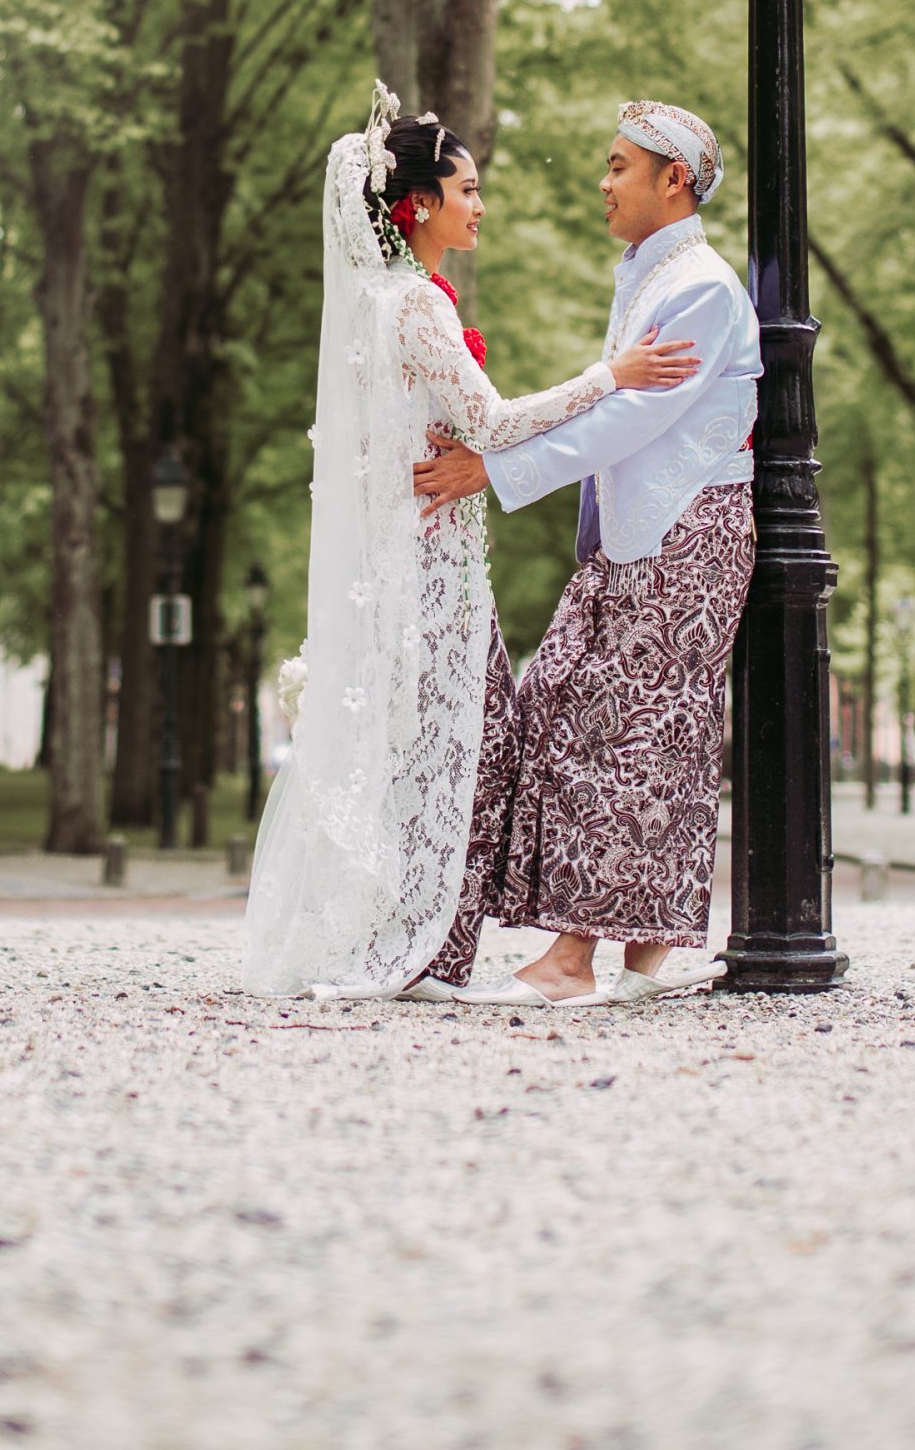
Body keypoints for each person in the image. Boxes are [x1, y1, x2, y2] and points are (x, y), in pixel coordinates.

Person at [240, 86, 696, 1002]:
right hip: (431, 574)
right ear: (420, 204)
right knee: (476, 752)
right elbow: (489, 422)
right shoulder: (415, 304)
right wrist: (612, 375)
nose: (480, 206)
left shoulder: (378, 302)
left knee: (442, 751)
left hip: (413, 561)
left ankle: (417, 942)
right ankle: (419, 950)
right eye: (468, 190)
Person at [414, 100, 760, 1005]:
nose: (602, 183)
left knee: (622, 734)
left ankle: (572, 960)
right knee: (615, 721)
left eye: (617, 166)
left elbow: (627, 420)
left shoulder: (701, 287)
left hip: (684, 535)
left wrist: (491, 470)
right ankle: (643, 956)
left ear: (673, 180)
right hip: (645, 539)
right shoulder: (654, 276)